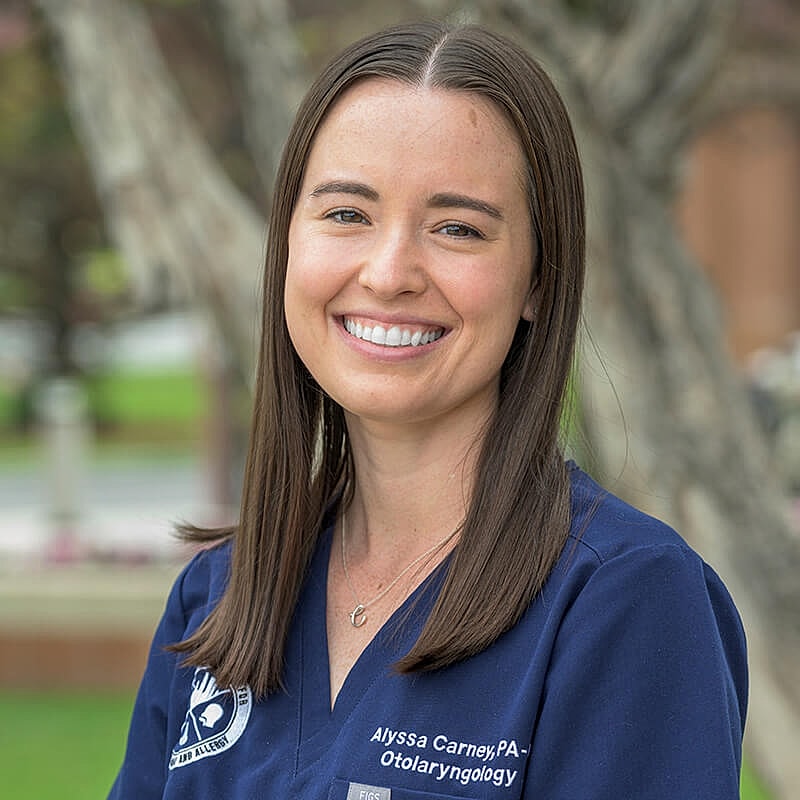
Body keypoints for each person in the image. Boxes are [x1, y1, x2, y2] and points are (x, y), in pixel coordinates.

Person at [109, 20, 747, 799]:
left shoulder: (627, 601)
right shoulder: (218, 598)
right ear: (288, 247)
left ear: (539, 281)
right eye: (347, 214)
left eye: (457, 228)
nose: (389, 272)